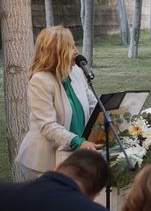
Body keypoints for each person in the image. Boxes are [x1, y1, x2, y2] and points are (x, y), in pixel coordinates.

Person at [15, 25, 99, 181]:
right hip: (43, 161)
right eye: (71, 46)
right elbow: (48, 126)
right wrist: (77, 142)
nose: (76, 51)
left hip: (72, 156)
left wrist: (111, 113)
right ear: (57, 52)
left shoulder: (76, 72)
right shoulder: (40, 80)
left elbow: (93, 104)